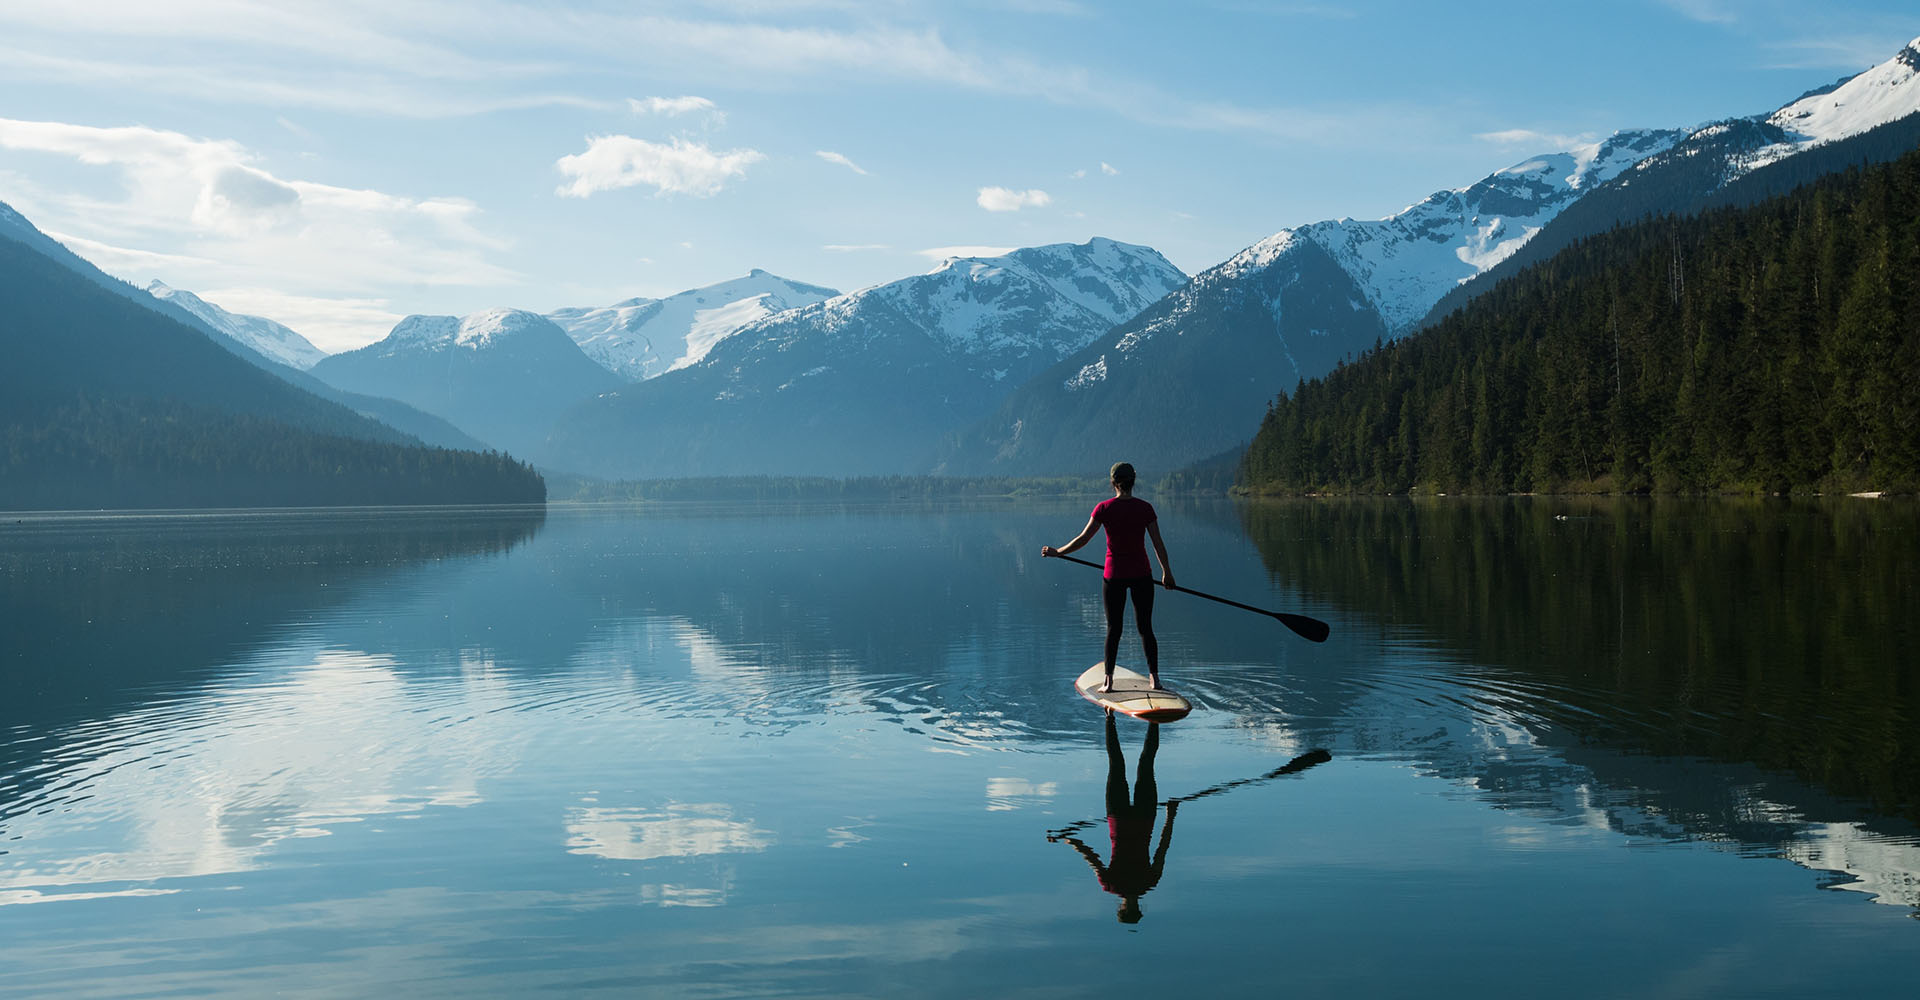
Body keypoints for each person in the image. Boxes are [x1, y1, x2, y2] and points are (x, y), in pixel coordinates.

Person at [1041, 462, 1174, 692]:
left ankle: (1108, 681)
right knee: (1145, 628)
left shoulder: (1104, 508)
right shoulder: (1145, 508)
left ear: (1112, 483)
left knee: (1114, 628)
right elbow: (1158, 544)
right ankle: (1155, 679)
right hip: (1142, 574)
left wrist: (1058, 552)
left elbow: (1083, 539)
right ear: (1133, 482)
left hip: (1114, 576)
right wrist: (1167, 573)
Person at [1053, 714, 1178, 924]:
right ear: (1121, 908)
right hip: (1118, 817)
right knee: (1116, 763)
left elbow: (1163, 847)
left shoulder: (1149, 882)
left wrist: (1171, 815)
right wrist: (1070, 841)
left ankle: (1154, 719)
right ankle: (1109, 717)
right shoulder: (1110, 885)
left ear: (1137, 908)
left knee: (1146, 763)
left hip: (1144, 817)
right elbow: (1090, 856)